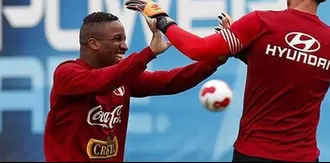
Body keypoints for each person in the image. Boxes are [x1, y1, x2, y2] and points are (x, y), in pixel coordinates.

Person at [125, 0, 330, 162]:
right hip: (304, 156)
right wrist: (242, 48)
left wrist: (162, 20)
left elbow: (197, 49)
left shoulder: (262, 22)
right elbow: (289, 68)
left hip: (254, 153)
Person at [43, 11, 227, 161]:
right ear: (93, 44)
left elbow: (170, 81)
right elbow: (102, 80)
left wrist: (215, 59)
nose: (124, 45)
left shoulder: (122, 77)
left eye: (124, 39)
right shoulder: (67, 74)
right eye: (117, 39)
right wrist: (149, 53)